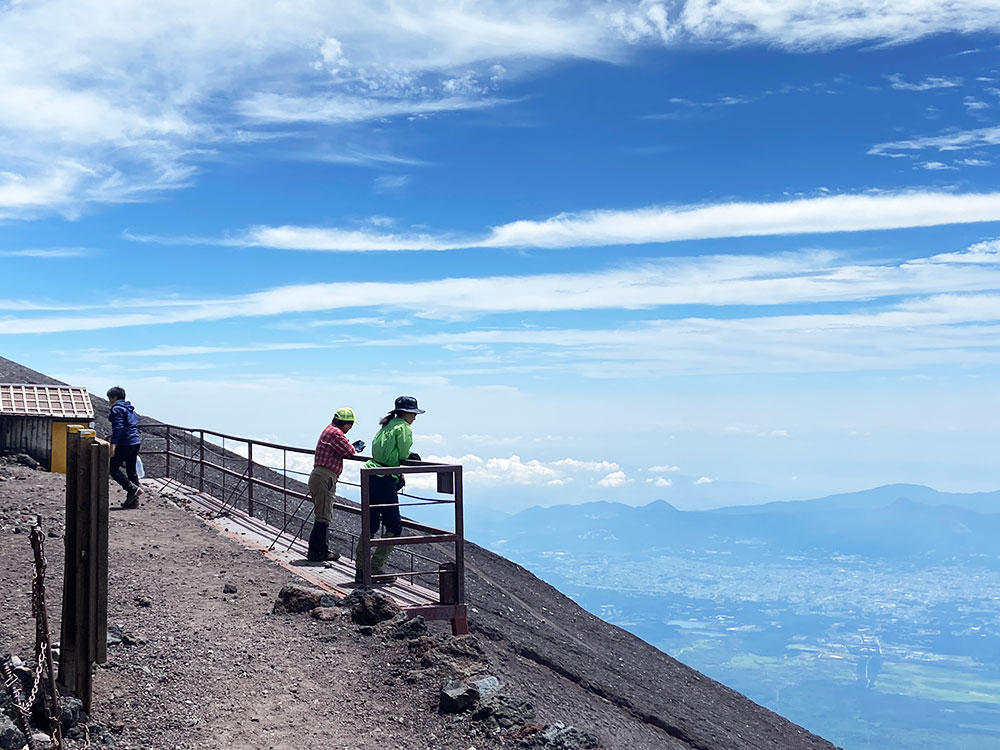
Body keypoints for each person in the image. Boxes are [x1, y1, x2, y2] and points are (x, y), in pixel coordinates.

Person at [356, 395, 424, 584]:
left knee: (370, 524)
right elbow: (402, 453)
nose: (415, 418)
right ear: (407, 413)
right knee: (394, 526)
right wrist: (409, 456)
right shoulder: (403, 427)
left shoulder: (386, 424)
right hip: (385, 478)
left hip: (371, 475)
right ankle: (375, 568)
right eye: (413, 414)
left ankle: (361, 569)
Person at [307, 408, 366, 562]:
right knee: (323, 516)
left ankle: (317, 551)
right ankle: (319, 552)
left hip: (319, 475)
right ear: (345, 423)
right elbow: (349, 451)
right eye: (351, 424)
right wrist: (356, 447)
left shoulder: (328, 430)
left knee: (321, 514)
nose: (351, 428)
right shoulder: (336, 434)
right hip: (326, 477)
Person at [107, 386, 144, 509]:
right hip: (135, 442)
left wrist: (113, 444)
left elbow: (118, 427)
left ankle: (132, 489)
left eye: (109, 398)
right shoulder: (131, 410)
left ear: (114, 397)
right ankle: (133, 501)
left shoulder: (117, 409)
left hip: (125, 443)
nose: (109, 401)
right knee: (131, 470)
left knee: (112, 468)